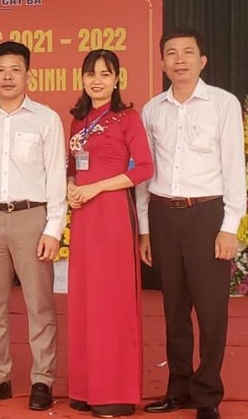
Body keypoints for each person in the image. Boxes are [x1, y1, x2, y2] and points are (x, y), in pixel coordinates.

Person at [135, 28, 245, 419]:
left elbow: (234, 165)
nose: (179, 60)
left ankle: (208, 394)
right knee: (174, 308)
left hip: (206, 215)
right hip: (164, 215)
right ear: (162, 63)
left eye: (187, 52)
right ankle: (178, 388)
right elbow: (145, 173)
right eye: (171, 53)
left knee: (211, 310)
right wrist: (145, 229)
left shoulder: (223, 104)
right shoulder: (152, 110)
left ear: (202, 61)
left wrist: (230, 225)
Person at [0, 40, 66, 412]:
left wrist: (53, 228)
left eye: (15, 70)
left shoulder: (46, 119)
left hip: (31, 218)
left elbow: (56, 175)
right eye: (1, 70)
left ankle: (42, 380)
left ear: (28, 74)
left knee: (40, 305)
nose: (8, 77)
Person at [65, 50, 154, 417]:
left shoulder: (127, 118)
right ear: (82, 79)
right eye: (91, 74)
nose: (97, 80)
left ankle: (115, 391)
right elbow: (73, 167)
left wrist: (97, 187)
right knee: (84, 300)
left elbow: (144, 168)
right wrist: (72, 186)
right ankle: (85, 387)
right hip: (83, 216)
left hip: (113, 213)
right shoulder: (78, 120)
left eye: (105, 73)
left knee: (112, 301)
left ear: (117, 79)